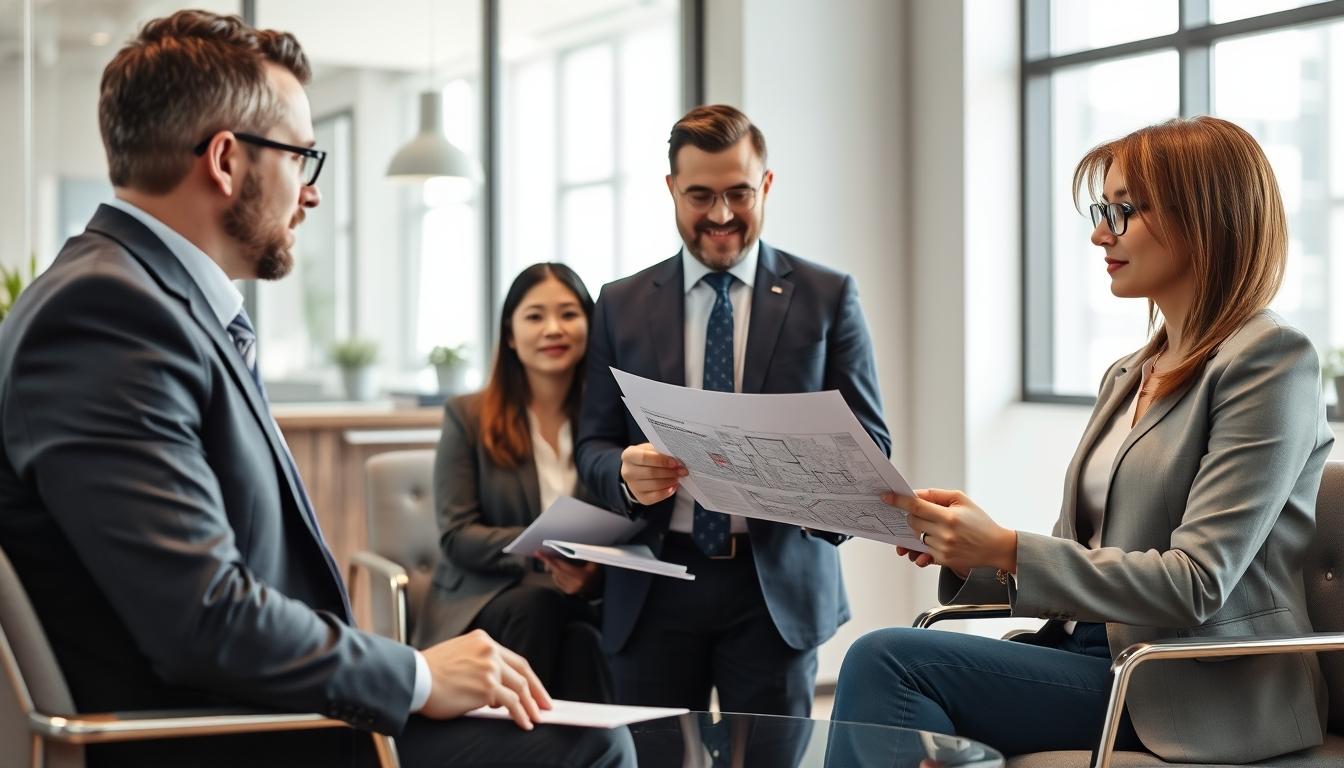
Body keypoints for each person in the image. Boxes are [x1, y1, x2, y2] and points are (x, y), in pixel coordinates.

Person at [0, 11, 631, 768]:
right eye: (302, 156)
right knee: (589, 748)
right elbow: (202, 618)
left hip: (263, 712)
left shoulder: (146, 302)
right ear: (226, 160)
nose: (312, 194)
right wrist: (417, 673)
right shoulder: (109, 316)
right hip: (219, 736)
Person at [832, 116, 1333, 765]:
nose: (1100, 233)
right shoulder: (1129, 374)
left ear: (1204, 219)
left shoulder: (1270, 361)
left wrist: (1008, 547)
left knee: (889, 662)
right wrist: (967, 551)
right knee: (901, 697)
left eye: (1124, 211)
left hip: (1188, 682)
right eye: (1103, 211)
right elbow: (1081, 557)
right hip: (1093, 657)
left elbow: (1197, 584)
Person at [575, 104, 890, 716]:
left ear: (766, 185)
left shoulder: (827, 297)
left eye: (739, 193)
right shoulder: (619, 303)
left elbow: (870, 445)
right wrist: (625, 474)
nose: (721, 215)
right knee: (653, 758)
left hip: (777, 589)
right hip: (654, 585)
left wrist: (809, 482)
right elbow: (591, 445)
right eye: (700, 196)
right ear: (671, 189)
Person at [414, 262, 611, 704]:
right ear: (509, 334)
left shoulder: (608, 421)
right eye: (535, 316)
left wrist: (591, 575)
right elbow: (458, 536)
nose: (553, 329)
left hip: (577, 599)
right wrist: (543, 551)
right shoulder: (467, 416)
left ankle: (581, 742)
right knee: (539, 607)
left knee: (582, 639)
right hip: (487, 595)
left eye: (569, 314)